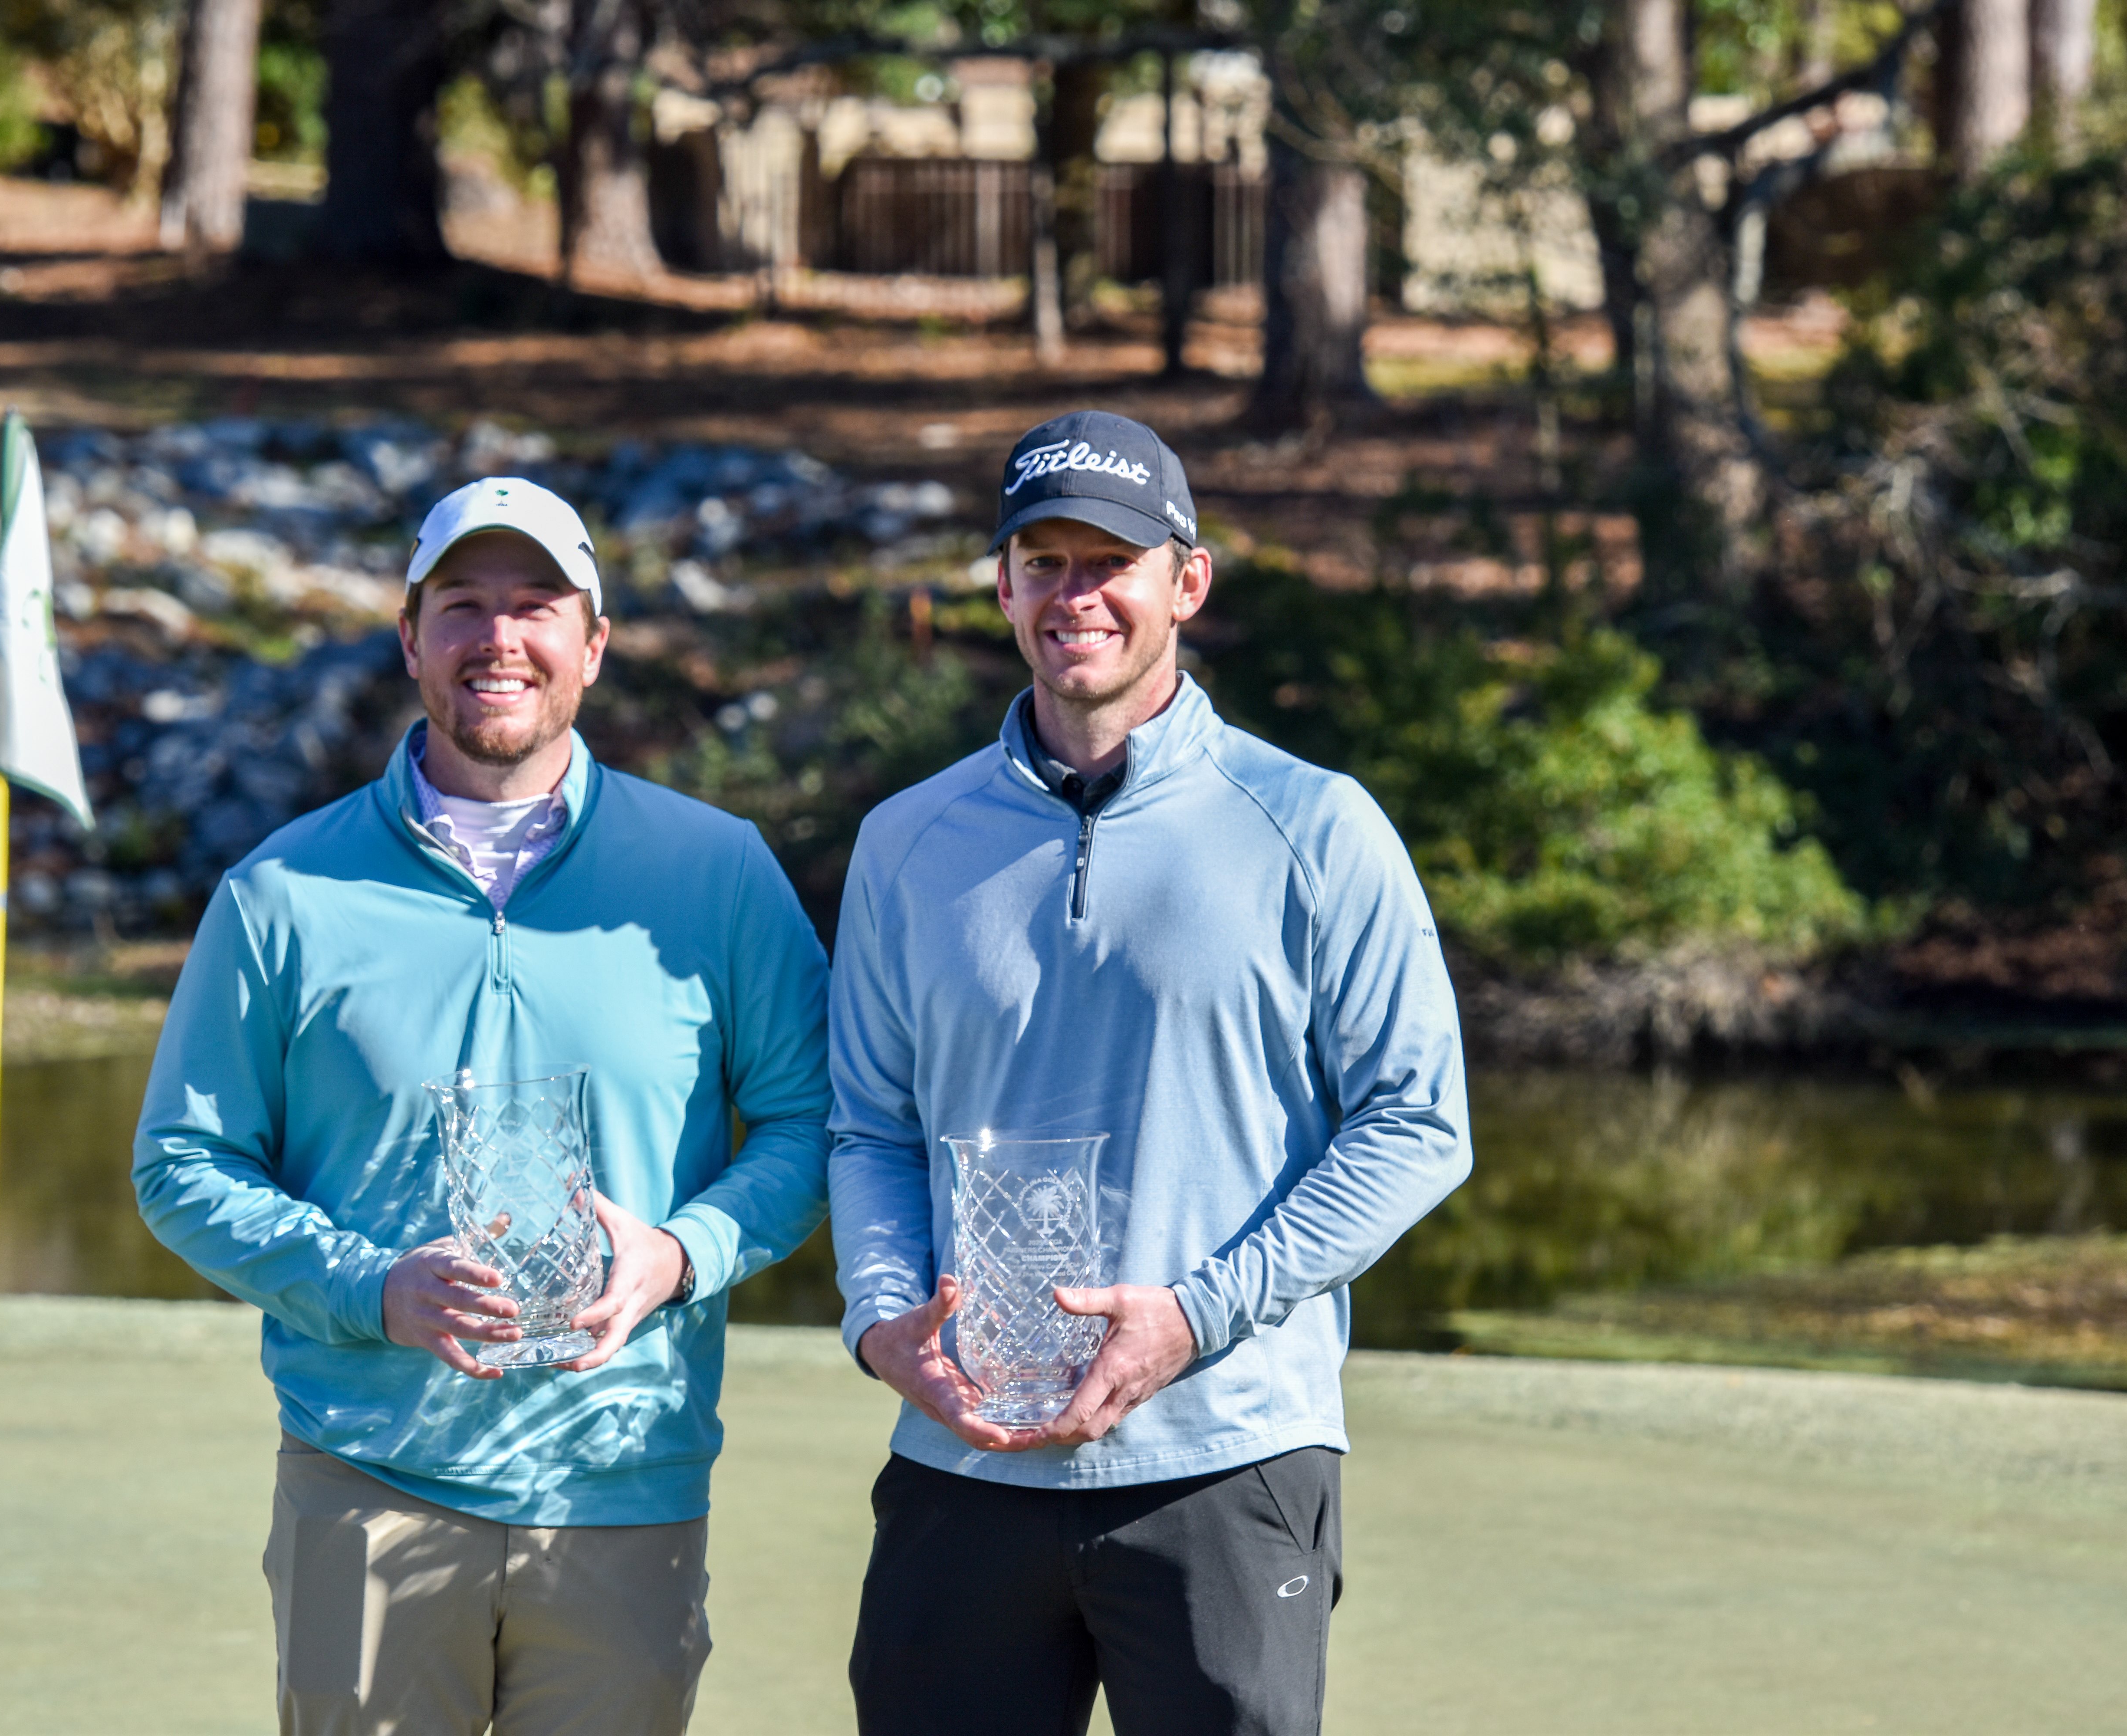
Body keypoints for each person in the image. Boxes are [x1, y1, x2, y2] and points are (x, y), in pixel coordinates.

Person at [133, 476, 832, 1736]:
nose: (498, 639)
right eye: (463, 605)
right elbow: (183, 1164)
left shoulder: (716, 872)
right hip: (370, 1478)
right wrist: (370, 1287)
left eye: (537, 606)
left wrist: (684, 1253)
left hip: (624, 1487)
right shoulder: (283, 891)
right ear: (411, 640)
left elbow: (812, 1128)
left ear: (594, 644)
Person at [828, 411, 1472, 1736]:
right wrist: (883, 1317)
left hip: (1224, 1455)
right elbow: (870, 1131)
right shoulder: (906, 843)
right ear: (1001, 587)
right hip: (966, 1463)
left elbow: (1418, 1124)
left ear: (1187, 582)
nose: (1078, 594)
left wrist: (1194, 1313)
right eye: (1043, 560)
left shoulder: (1314, 826)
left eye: (1111, 559)